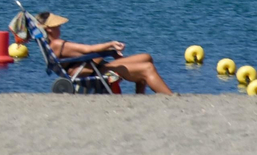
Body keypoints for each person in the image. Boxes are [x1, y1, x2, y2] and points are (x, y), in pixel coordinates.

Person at [37, 11, 173, 94]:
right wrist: (110, 44)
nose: (59, 27)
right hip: (95, 72)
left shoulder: (54, 45)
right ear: (48, 29)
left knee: (146, 57)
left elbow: (84, 53)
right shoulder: (57, 44)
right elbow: (88, 50)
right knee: (147, 68)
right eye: (56, 25)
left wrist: (110, 52)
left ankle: (140, 96)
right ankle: (170, 98)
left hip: (94, 66)